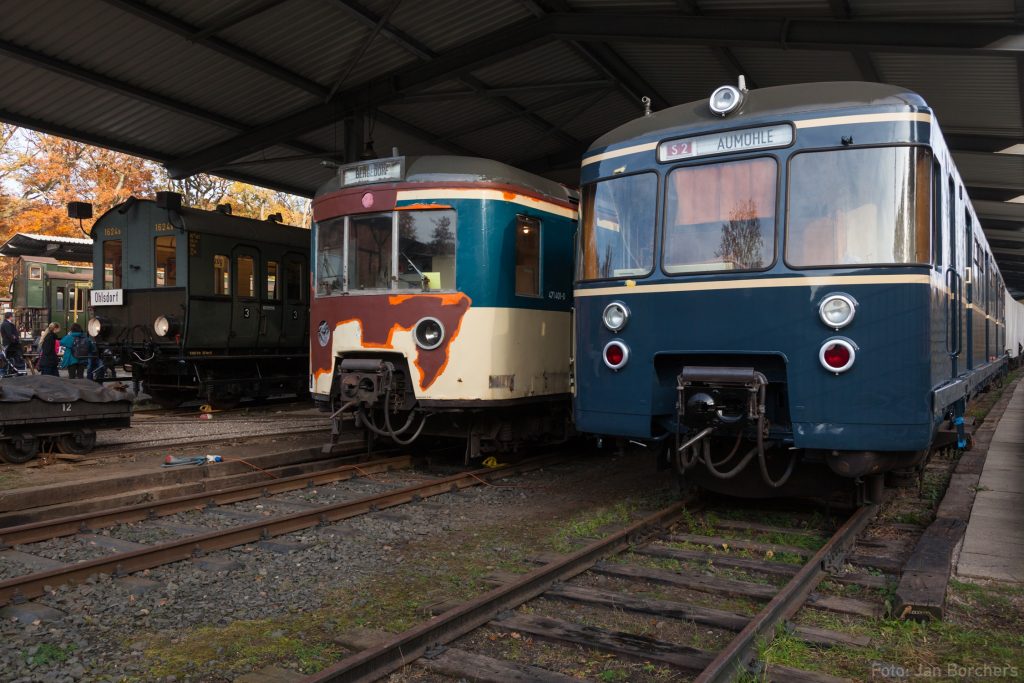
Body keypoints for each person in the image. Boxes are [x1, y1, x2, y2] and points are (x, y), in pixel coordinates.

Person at [1, 311, 22, 376]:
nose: (13, 318)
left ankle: (10, 370)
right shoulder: (6, 324)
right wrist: (14, 338)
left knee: (8, 358)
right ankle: (9, 371)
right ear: (10, 317)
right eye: (12, 316)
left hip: (8, 343)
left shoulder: (5, 323)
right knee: (8, 358)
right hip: (10, 344)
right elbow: (9, 334)